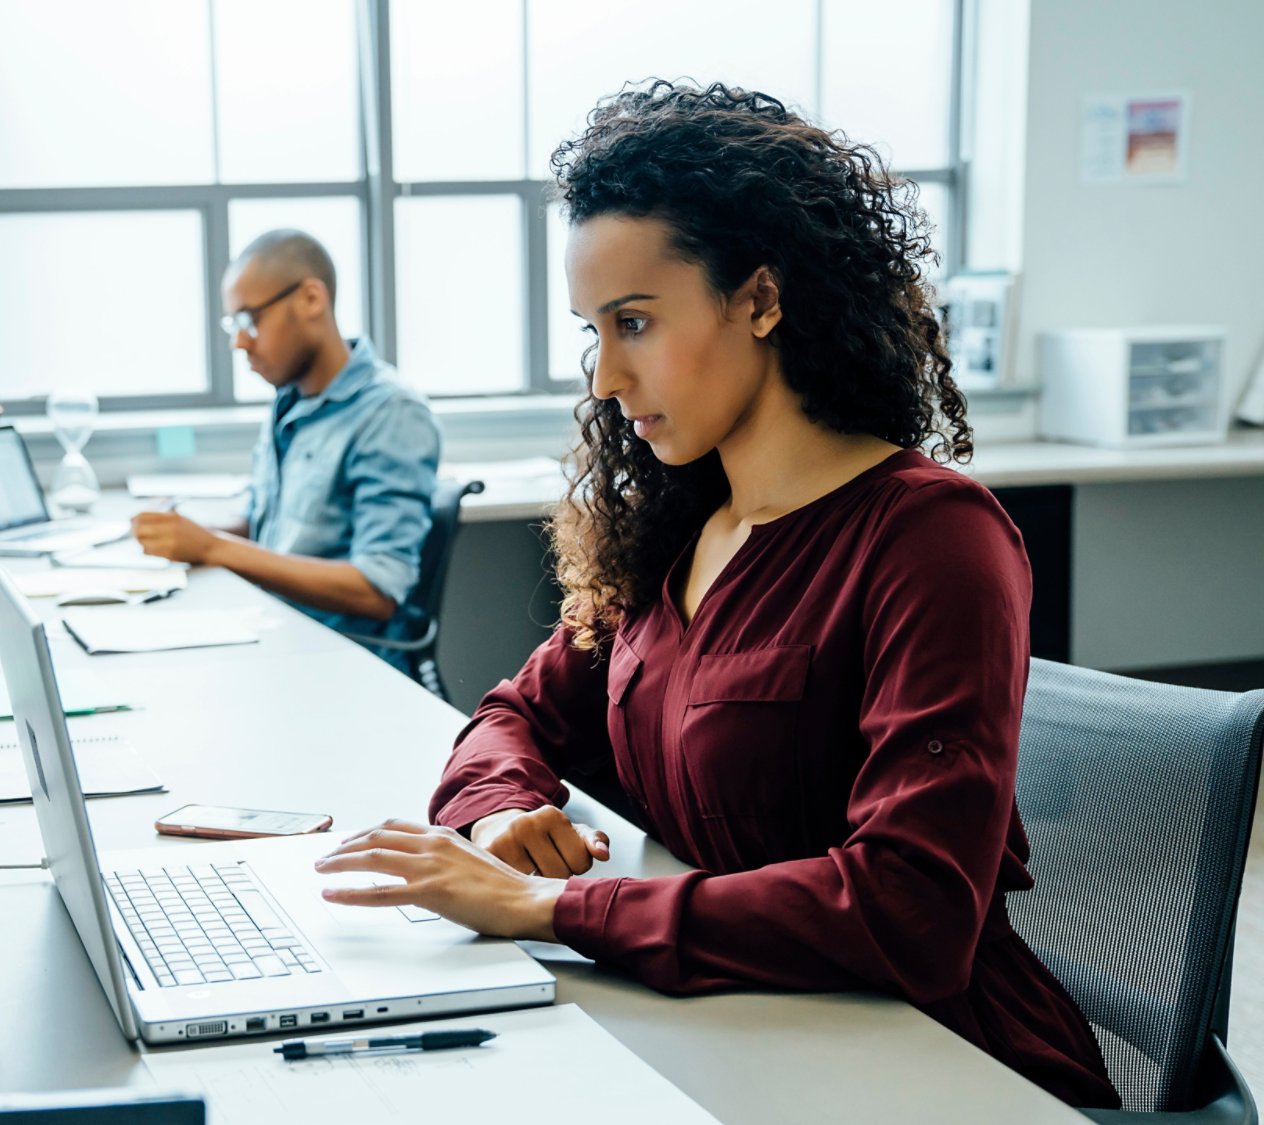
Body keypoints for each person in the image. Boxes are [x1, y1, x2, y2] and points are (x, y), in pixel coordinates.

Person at [312, 82, 1120, 1108]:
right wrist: (499, 814)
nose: (604, 374)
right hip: (735, 1023)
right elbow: (513, 715)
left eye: (635, 321)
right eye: (591, 330)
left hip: (934, 1062)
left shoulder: (929, 539)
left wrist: (549, 910)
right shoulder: (675, 531)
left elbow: (910, 909)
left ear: (760, 299)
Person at [131, 230, 441, 673]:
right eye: (233, 325)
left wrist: (213, 547)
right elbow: (263, 524)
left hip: (340, 664)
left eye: (249, 320)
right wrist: (184, 531)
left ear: (311, 298)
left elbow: (377, 590)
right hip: (274, 633)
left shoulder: (392, 413)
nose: (239, 342)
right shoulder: (290, 402)